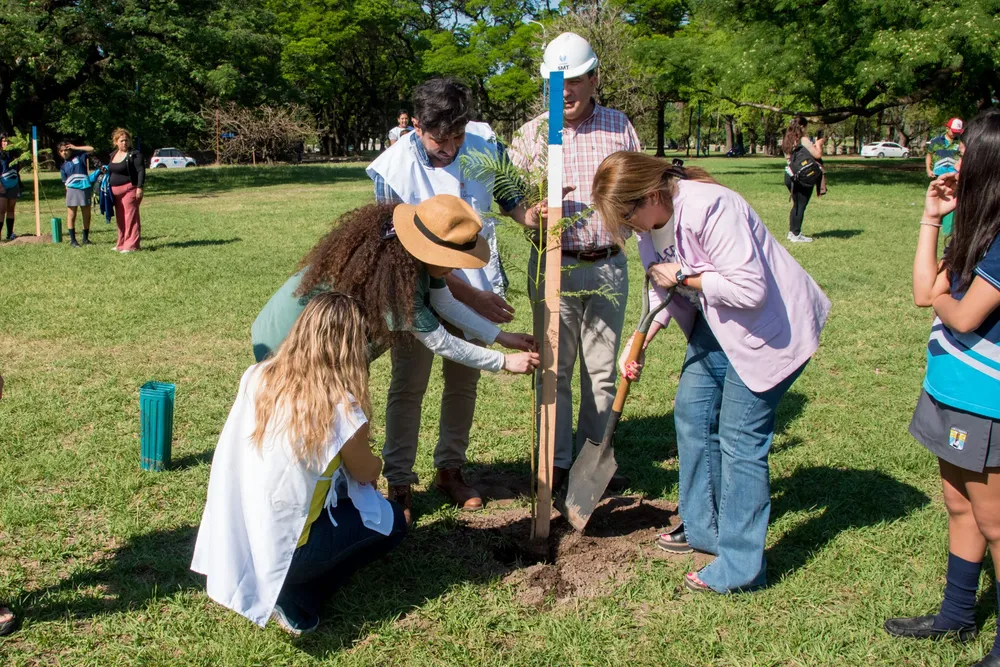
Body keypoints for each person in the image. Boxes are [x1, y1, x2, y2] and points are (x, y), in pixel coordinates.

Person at [591, 151, 831, 594]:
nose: (628, 226)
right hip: (716, 327)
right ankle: (703, 527)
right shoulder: (650, 225)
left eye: (627, 213)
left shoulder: (712, 207)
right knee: (691, 415)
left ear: (652, 193)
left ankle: (742, 567)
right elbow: (661, 287)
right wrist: (640, 338)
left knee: (740, 440)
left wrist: (684, 274)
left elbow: (749, 288)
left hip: (769, 329)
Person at [252, 197, 539, 523]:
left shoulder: (412, 255)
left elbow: (444, 302)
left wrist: (501, 337)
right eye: (453, 258)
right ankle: (307, 506)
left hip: (324, 342)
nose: (455, 266)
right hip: (287, 342)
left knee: (330, 421)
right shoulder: (394, 277)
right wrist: (503, 362)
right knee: (310, 423)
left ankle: (338, 495)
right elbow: (440, 342)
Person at [367, 78, 534, 518]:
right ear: (417, 126)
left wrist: (533, 214)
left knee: (463, 383)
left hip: (474, 281)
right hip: (416, 291)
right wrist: (472, 300)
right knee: (410, 384)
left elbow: (512, 196)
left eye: (458, 135)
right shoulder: (391, 171)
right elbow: (406, 258)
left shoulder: (482, 142)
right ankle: (399, 481)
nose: (451, 147)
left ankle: (451, 469)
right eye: (440, 139)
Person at [193, 293, 407, 636]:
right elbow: (366, 473)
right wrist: (379, 462)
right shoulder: (342, 408)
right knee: (395, 522)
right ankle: (297, 596)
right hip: (290, 551)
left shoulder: (257, 375)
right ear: (351, 347)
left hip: (240, 534)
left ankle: (287, 586)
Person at [884, 109, 1000, 667]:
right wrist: (933, 217)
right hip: (948, 389)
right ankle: (956, 616)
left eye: (967, 152)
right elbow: (921, 291)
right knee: (958, 504)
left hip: (986, 401)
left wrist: (943, 301)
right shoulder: (974, 224)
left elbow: (962, 314)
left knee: (997, 523)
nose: (954, 160)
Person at [508, 32, 642, 492]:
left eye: (576, 80)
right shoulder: (531, 134)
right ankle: (556, 462)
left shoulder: (618, 126)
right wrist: (530, 214)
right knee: (554, 368)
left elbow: (639, 189)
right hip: (552, 266)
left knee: (602, 370)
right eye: (556, 82)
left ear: (594, 79)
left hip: (607, 263)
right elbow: (513, 201)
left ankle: (592, 463)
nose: (565, 91)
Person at [782, 116, 825, 243]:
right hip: (804, 175)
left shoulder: (787, 140)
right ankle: (796, 233)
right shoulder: (803, 139)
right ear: (802, 127)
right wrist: (818, 144)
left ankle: (793, 232)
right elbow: (817, 154)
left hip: (790, 174)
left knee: (796, 204)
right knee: (801, 205)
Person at [107, 128, 145, 253]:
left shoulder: (134, 154)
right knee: (120, 217)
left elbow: (141, 171)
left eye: (126, 140)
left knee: (130, 217)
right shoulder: (113, 155)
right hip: (115, 192)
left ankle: (132, 245)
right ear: (116, 142)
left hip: (130, 189)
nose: (124, 143)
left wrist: (139, 187)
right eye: (121, 140)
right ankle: (121, 243)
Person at [926, 117, 964, 234]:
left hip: (954, 176)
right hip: (939, 175)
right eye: (953, 131)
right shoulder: (936, 141)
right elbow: (929, 155)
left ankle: (949, 227)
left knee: (951, 200)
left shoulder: (961, 143)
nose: (955, 134)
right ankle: (936, 222)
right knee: (936, 199)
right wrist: (928, 169)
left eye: (958, 132)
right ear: (947, 128)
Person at [58, 142, 97, 247]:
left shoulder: (80, 156)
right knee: (71, 214)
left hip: (84, 188)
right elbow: (65, 183)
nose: (64, 152)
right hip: (72, 190)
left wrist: (76, 147)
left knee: (86, 214)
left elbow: (91, 148)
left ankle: (85, 239)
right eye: (61, 151)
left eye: (66, 149)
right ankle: (73, 240)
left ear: (70, 149)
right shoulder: (63, 167)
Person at [0, 133, 24, 241]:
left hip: (14, 184)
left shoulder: (14, 155)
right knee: (2, 209)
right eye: (4, 140)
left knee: (11, 209)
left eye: (8, 141)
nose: (6, 143)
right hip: (2, 185)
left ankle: (10, 233)